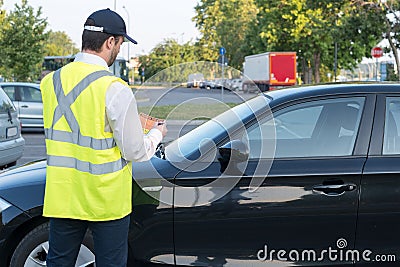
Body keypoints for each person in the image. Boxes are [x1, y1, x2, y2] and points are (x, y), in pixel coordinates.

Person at [40, 8, 167, 267]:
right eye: (120, 43)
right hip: (106, 201)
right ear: (110, 42)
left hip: (63, 197)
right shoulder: (114, 88)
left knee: (58, 263)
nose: (118, 50)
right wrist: (156, 133)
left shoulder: (50, 83)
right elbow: (135, 151)